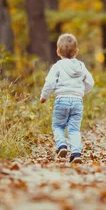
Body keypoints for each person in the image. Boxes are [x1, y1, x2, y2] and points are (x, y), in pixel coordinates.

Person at [40, 33, 94, 164]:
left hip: (61, 100)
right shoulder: (81, 67)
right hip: (77, 101)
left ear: (58, 51)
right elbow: (90, 82)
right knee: (74, 129)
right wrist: (81, 92)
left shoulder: (57, 66)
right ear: (76, 51)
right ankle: (76, 153)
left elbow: (50, 82)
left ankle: (62, 145)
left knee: (58, 126)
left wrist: (44, 96)